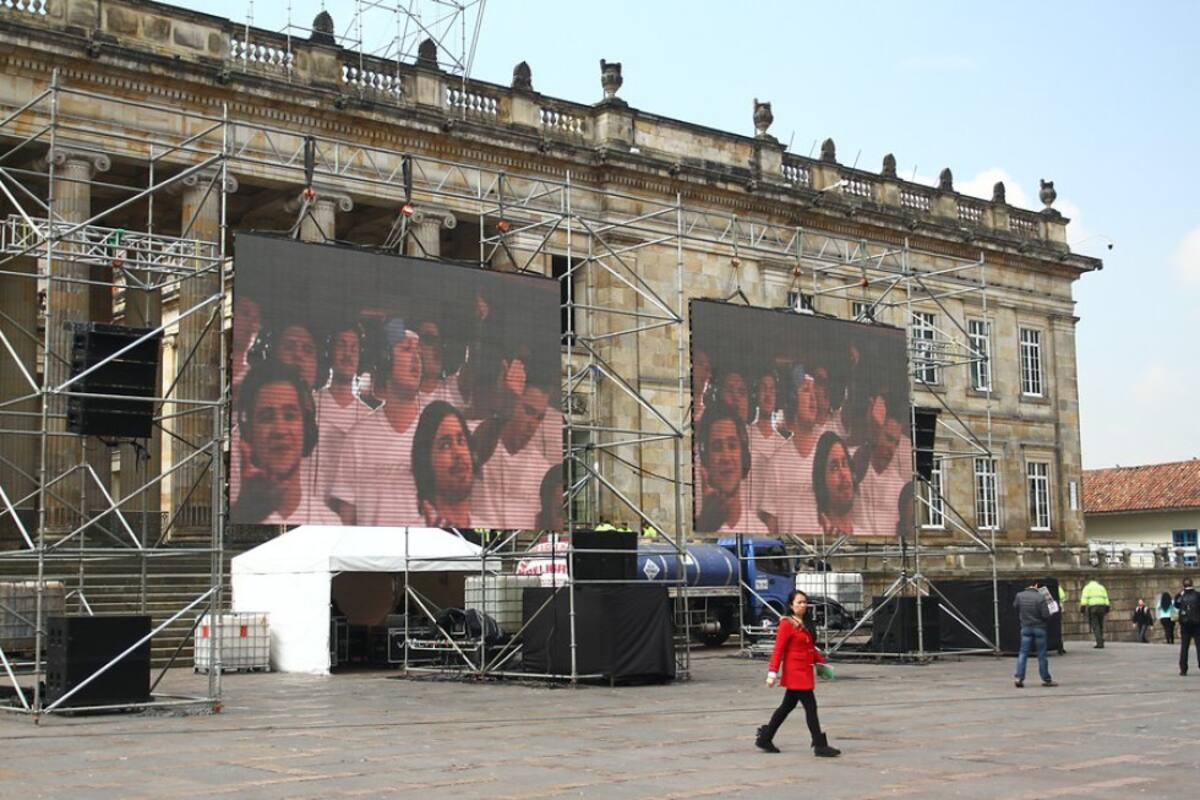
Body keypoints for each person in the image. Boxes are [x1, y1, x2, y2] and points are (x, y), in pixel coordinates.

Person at [330, 320, 425, 525]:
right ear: (386, 360)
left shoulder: (433, 431)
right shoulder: (358, 438)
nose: (416, 358)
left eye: (418, 352)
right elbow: (346, 518)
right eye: (407, 350)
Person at [232, 362, 336, 525]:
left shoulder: (330, 523)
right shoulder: (238, 517)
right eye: (267, 417)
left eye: (289, 416)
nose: (280, 430)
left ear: (306, 427)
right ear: (249, 433)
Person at [756, 590, 840, 757]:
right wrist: (772, 672)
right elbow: (778, 649)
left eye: (804, 602)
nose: (803, 605)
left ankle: (765, 737)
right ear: (790, 605)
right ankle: (820, 745)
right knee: (811, 707)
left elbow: (809, 647)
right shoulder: (787, 624)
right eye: (799, 602)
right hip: (795, 672)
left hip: (804, 670)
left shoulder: (804, 623)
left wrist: (822, 663)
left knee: (787, 706)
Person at [475, 378, 554, 530]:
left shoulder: (542, 469)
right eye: (529, 411)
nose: (533, 424)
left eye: (539, 417)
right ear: (513, 404)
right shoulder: (479, 435)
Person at [313, 322, 371, 503]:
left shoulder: (369, 417)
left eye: (354, 348)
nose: (348, 354)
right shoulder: (309, 404)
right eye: (341, 345)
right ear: (330, 352)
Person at [760, 366, 820, 537]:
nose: (813, 398)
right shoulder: (777, 462)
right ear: (793, 399)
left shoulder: (829, 453)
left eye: (814, 392)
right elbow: (771, 523)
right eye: (806, 391)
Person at [695, 403, 768, 534]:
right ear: (706, 460)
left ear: (743, 454)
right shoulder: (701, 527)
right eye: (717, 447)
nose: (726, 457)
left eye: (732, 445)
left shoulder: (760, 530)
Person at [412, 401, 481, 528]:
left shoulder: (485, 532)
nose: (458, 453)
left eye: (461, 441)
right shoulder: (412, 533)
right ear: (426, 464)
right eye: (445, 445)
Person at [812, 431, 868, 537]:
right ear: (822, 482)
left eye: (845, 464)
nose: (843, 474)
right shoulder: (813, 541)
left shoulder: (867, 538)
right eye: (834, 467)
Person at [1013, 580, 1057, 688]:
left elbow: (1015, 606)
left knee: (1023, 653)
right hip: (1039, 628)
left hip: (1026, 627)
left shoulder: (1019, 595)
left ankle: (1019, 677)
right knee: (1041, 655)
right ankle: (1046, 679)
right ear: (1036, 586)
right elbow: (1045, 615)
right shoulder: (1041, 597)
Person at [1175, 578, 1200, 676]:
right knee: (1199, 646)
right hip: (1197, 624)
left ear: (1183, 585)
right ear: (1192, 584)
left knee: (1184, 647)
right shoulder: (1197, 595)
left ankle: (1183, 668)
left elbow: (1176, 605)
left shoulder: (1181, 595)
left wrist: (1180, 594)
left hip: (1185, 625)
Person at [1079, 578, 1110, 648]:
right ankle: (1101, 639)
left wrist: (1082, 609)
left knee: (1095, 625)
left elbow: (1084, 598)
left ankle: (1099, 642)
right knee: (1100, 624)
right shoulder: (1101, 587)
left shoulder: (1087, 588)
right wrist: (1107, 607)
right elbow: (1106, 597)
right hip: (1102, 607)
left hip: (1093, 608)